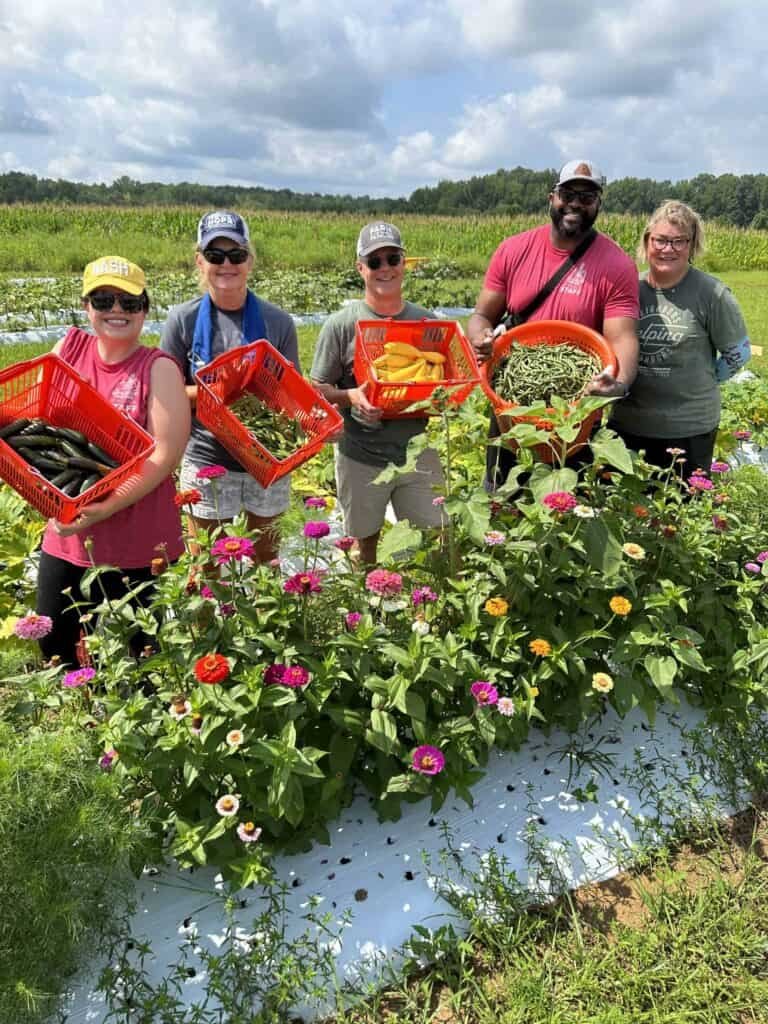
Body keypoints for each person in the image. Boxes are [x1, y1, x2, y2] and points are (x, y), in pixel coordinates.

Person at [36, 256, 190, 668]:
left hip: (140, 543)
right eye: (104, 300)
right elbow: (39, 427)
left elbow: (163, 456)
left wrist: (101, 508)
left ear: (145, 309)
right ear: (87, 306)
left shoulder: (158, 369)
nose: (117, 311)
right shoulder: (66, 350)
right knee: (55, 645)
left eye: (130, 302)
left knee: (144, 659)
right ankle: (83, 723)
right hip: (67, 535)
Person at [467, 159, 639, 488]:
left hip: (574, 411)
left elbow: (623, 338)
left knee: (564, 507)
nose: (575, 203)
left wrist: (620, 382)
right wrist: (480, 338)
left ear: (598, 205)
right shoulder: (513, 250)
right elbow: (481, 317)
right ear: (552, 198)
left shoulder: (616, 265)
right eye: (567, 194)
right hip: (512, 405)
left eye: (587, 197)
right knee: (503, 502)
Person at [160, 210, 300, 562]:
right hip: (207, 458)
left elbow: (292, 396)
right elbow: (165, 394)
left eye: (236, 255)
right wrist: (217, 393)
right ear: (199, 261)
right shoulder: (183, 320)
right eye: (215, 255)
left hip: (266, 461)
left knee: (266, 563)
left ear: (250, 260)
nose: (226, 264)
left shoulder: (277, 322)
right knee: (206, 568)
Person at [310, 221, 445, 564]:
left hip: (418, 453)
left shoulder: (426, 323)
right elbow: (316, 390)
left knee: (435, 542)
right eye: (374, 262)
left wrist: (437, 401)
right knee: (363, 546)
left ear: (404, 263)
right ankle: (367, 611)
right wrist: (351, 396)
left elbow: (442, 384)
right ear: (360, 269)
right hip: (360, 456)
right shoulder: (341, 325)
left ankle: (423, 612)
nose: (385, 268)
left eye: (392, 259)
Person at [609, 200, 750, 478]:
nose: (667, 249)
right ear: (647, 241)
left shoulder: (712, 294)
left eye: (678, 242)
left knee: (682, 516)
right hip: (627, 426)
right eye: (660, 240)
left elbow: (738, 355)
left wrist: (703, 379)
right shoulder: (628, 289)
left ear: (691, 244)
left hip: (689, 430)